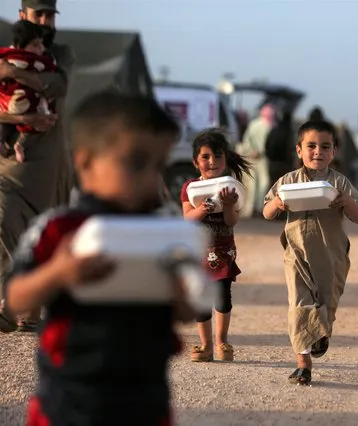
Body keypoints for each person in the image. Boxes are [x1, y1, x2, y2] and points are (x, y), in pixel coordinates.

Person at [3, 91, 194, 425]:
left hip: (145, 398)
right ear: (86, 161)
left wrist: (181, 292)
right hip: (68, 401)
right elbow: (15, 295)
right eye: (136, 162)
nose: (152, 178)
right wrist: (58, 274)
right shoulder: (59, 228)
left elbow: (189, 309)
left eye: (158, 165)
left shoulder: (163, 231)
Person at [263, 120, 358, 386]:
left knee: (326, 305)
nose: (317, 151)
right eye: (311, 146)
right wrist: (278, 202)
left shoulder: (339, 182)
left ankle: (321, 332)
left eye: (325, 146)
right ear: (299, 150)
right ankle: (303, 364)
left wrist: (346, 201)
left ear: (334, 152)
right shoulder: (287, 181)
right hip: (296, 256)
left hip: (331, 258)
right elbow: (266, 211)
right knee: (298, 305)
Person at [0, 0, 75, 334]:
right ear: (22, 16)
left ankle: (30, 311)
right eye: (38, 14)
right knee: (4, 222)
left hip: (50, 162)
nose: (45, 21)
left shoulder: (60, 53)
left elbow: (56, 85)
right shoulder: (7, 51)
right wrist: (22, 118)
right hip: (11, 160)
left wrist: (12, 71)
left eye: (49, 15)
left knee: (46, 234)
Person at [180, 129, 252, 362]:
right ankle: (206, 345)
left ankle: (222, 342)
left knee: (222, 296)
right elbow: (187, 218)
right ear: (195, 161)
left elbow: (232, 221)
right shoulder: (190, 188)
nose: (212, 162)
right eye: (206, 157)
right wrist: (203, 208)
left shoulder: (231, 187)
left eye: (218, 156)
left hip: (222, 252)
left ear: (226, 159)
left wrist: (228, 205)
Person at [0, 19, 57, 163]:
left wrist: (13, 72)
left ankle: (18, 145)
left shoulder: (37, 62)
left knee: (31, 125)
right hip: (13, 101)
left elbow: (43, 85)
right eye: (35, 45)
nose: (40, 49)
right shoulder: (15, 59)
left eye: (41, 44)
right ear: (20, 45)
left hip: (21, 103)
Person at [238, 104, 274, 218]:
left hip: (254, 157)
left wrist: (250, 151)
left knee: (255, 183)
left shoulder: (255, 124)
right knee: (261, 183)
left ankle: (253, 209)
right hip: (258, 158)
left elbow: (246, 140)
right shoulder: (269, 125)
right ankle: (257, 208)